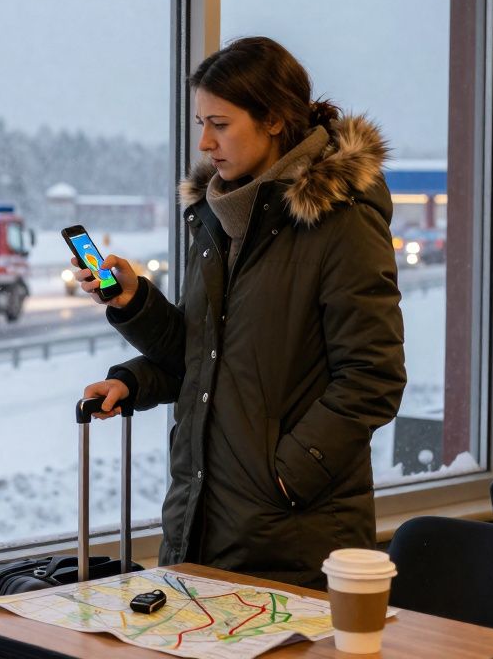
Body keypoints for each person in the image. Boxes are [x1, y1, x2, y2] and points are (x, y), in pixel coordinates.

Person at [75, 36, 406, 589]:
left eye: (221, 124)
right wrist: (135, 316)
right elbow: (207, 356)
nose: (205, 142)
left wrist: (285, 478)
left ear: (274, 119)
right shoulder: (218, 220)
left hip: (291, 533)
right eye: (200, 123)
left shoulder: (342, 222)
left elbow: (373, 378)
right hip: (201, 519)